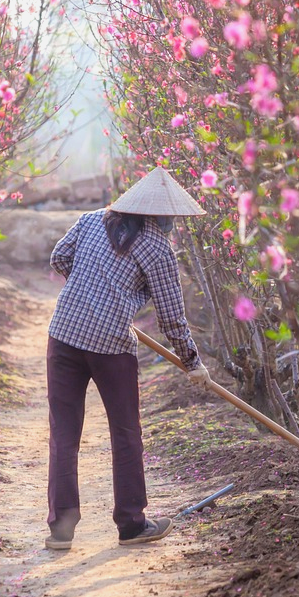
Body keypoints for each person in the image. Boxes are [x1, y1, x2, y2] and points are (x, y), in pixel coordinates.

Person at [44, 167, 210, 550]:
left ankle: (61, 530)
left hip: (63, 334)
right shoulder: (157, 248)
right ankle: (132, 525)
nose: (172, 224)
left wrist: (89, 293)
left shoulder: (90, 220)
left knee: (64, 434)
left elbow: (58, 258)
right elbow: (171, 315)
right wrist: (192, 361)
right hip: (110, 347)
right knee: (125, 433)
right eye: (171, 217)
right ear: (159, 214)